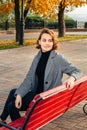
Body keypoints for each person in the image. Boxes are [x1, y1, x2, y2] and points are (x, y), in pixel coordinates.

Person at [0, 28, 82, 125]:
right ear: (39, 42)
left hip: (47, 98)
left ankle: (20, 127)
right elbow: (29, 78)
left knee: (12, 106)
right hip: (38, 94)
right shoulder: (37, 57)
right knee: (14, 92)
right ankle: (2, 119)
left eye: (50, 40)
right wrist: (19, 94)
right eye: (44, 40)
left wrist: (72, 78)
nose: (47, 43)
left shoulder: (58, 58)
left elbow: (77, 71)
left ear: (53, 42)